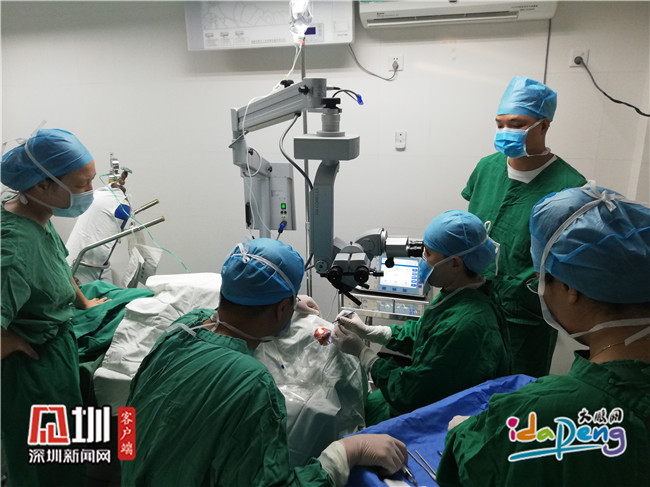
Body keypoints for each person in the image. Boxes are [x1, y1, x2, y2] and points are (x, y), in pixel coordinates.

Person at [121, 238, 407, 487]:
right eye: (290, 304)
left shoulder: (182, 329)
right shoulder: (252, 383)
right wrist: (346, 453)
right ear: (282, 308)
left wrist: (290, 304)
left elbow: (128, 418)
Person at [436, 182, 650, 486]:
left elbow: (471, 463)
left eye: (539, 279)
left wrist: (465, 433)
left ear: (569, 287)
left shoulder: (545, 415)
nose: (541, 292)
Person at [332, 210, 511, 426]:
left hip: (436, 419)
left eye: (428, 253)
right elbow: (424, 333)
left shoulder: (467, 325)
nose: (422, 258)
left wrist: (364, 354)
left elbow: (409, 393)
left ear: (455, 263)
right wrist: (371, 331)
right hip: (425, 396)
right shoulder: (460, 293)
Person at [1, 128, 108, 486]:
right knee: (43, 467)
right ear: (41, 185)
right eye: (81, 185)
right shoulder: (14, 249)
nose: (90, 191)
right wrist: (9, 341)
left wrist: (85, 301)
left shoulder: (37, 215)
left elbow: (59, 265)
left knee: (64, 456)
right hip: (33, 373)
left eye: (92, 180)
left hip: (56, 355)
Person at [463, 76, 587, 377]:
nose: (505, 132)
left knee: (517, 390)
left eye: (517, 124)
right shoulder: (486, 168)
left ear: (544, 126)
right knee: (466, 384)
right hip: (474, 304)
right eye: (500, 124)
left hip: (526, 318)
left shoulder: (570, 186)